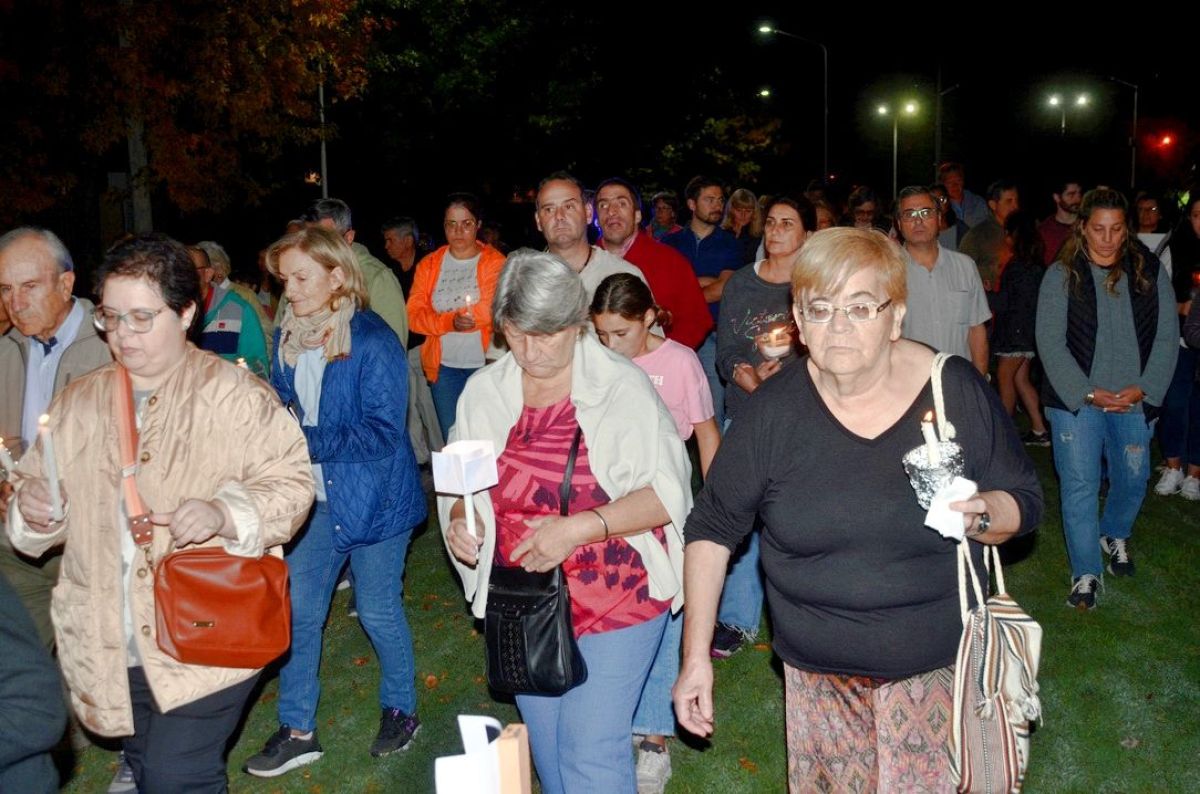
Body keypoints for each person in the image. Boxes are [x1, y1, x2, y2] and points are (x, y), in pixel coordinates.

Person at [674, 227, 1043, 792]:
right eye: (820, 308)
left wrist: (982, 512)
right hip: (814, 676)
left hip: (934, 666)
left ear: (895, 317)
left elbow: (1024, 502)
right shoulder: (771, 413)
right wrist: (694, 656)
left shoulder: (952, 391)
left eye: (861, 306)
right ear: (798, 320)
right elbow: (711, 528)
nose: (839, 325)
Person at [7, 233, 315, 793]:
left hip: (205, 629)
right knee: (151, 768)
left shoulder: (234, 396)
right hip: (110, 633)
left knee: (178, 776)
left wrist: (226, 512)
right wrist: (37, 511)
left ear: (187, 312)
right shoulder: (78, 402)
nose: (123, 335)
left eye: (142, 318)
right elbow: (32, 497)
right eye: (110, 317)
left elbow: (292, 483)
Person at [439, 250, 692, 794]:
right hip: (526, 596)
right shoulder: (484, 393)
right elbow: (463, 486)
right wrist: (463, 521)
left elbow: (668, 497)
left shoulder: (621, 387)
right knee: (552, 758)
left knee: (590, 751)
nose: (532, 351)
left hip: (617, 592)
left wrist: (577, 528)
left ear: (576, 324)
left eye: (548, 334)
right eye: (518, 332)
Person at [244, 227, 428, 777]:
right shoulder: (286, 336)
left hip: (376, 502)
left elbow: (381, 433)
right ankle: (298, 729)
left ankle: (402, 709)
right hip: (316, 502)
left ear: (337, 276)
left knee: (376, 609)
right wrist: (267, 401)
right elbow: (290, 403)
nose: (290, 291)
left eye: (302, 278)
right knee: (299, 614)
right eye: (284, 280)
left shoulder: (371, 340)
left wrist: (302, 437)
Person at [590, 272, 718, 793]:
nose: (609, 345)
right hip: (608, 509)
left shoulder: (680, 363)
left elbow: (707, 436)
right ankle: (610, 720)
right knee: (617, 617)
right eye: (600, 334)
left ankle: (654, 742)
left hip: (665, 510)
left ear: (649, 318)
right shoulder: (594, 362)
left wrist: (717, 509)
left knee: (667, 615)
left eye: (620, 333)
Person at [1036, 188, 1177, 610]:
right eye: (1098, 228)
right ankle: (1086, 572)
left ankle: (1114, 531)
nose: (1108, 238)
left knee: (1133, 478)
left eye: (1117, 229)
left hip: (1135, 399)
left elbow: (1168, 335)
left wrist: (1146, 388)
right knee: (1080, 484)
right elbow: (1050, 340)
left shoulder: (1148, 269)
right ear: (1083, 227)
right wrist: (1087, 392)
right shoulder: (1062, 273)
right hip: (1076, 402)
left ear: (1126, 229)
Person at [709, 196, 815, 658]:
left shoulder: (815, 287)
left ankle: (808, 611)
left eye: (787, 224)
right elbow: (726, 348)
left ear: (807, 234)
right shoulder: (741, 285)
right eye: (770, 222)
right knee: (741, 516)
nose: (775, 231)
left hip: (803, 412)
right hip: (747, 411)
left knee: (802, 516)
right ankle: (736, 616)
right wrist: (748, 377)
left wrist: (787, 380)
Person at [0, 227, 111, 653]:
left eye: (29, 286)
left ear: (66, 284)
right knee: (21, 671)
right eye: (6, 289)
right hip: (17, 546)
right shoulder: (7, 352)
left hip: (88, 542)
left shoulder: (113, 345)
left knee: (87, 675)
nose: (15, 302)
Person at [407, 193, 506, 440]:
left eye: (466, 223)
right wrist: (449, 323)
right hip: (444, 370)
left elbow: (494, 307)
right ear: (444, 226)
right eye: (452, 223)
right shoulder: (428, 265)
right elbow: (414, 315)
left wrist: (466, 320)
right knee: (454, 440)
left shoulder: (495, 262)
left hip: (485, 366)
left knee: (488, 438)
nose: (458, 230)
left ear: (478, 225)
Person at [594, 177, 713, 349]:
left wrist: (664, 359)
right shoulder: (585, 263)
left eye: (621, 203)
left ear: (637, 215)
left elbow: (697, 321)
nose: (611, 211)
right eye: (603, 205)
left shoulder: (670, 261)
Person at [897, 185, 991, 376]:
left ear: (939, 218)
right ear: (899, 224)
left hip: (957, 382)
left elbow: (976, 331)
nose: (918, 220)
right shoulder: (887, 271)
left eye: (926, 212)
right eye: (909, 214)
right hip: (907, 385)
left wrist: (980, 385)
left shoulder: (965, 266)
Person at [303, 198, 410, 346]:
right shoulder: (299, 276)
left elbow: (393, 350)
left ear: (348, 238)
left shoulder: (377, 278)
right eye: (310, 240)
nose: (316, 248)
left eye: (326, 240)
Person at [993, 210, 1050, 445]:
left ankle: (1004, 433)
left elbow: (1007, 302)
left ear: (1012, 235)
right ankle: (1039, 430)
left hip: (1015, 332)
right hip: (1030, 331)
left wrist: (984, 295)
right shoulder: (1036, 265)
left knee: (1004, 377)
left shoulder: (1017, 266)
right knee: (1021, 379)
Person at [1156, 196, 1200, 498]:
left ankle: (1195, 473)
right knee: (1174, 404)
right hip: (1181, 342)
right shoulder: (1175, 249)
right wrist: (1181, 307)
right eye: (1197, 214)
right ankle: (1173, 466)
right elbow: (1153, 296)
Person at [188, 244, 270, 377]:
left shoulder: (238, 310)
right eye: (177, 270)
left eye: (190, 269)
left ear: (208, 274)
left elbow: (259, 368)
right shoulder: (169, 313)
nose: (181, 276)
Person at [722, 188, 763, 266]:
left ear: (754, 212)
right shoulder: (720, 233)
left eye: (748, 211)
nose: (743, 215)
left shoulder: (757, 237)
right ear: (731, 210)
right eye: (739, 210)